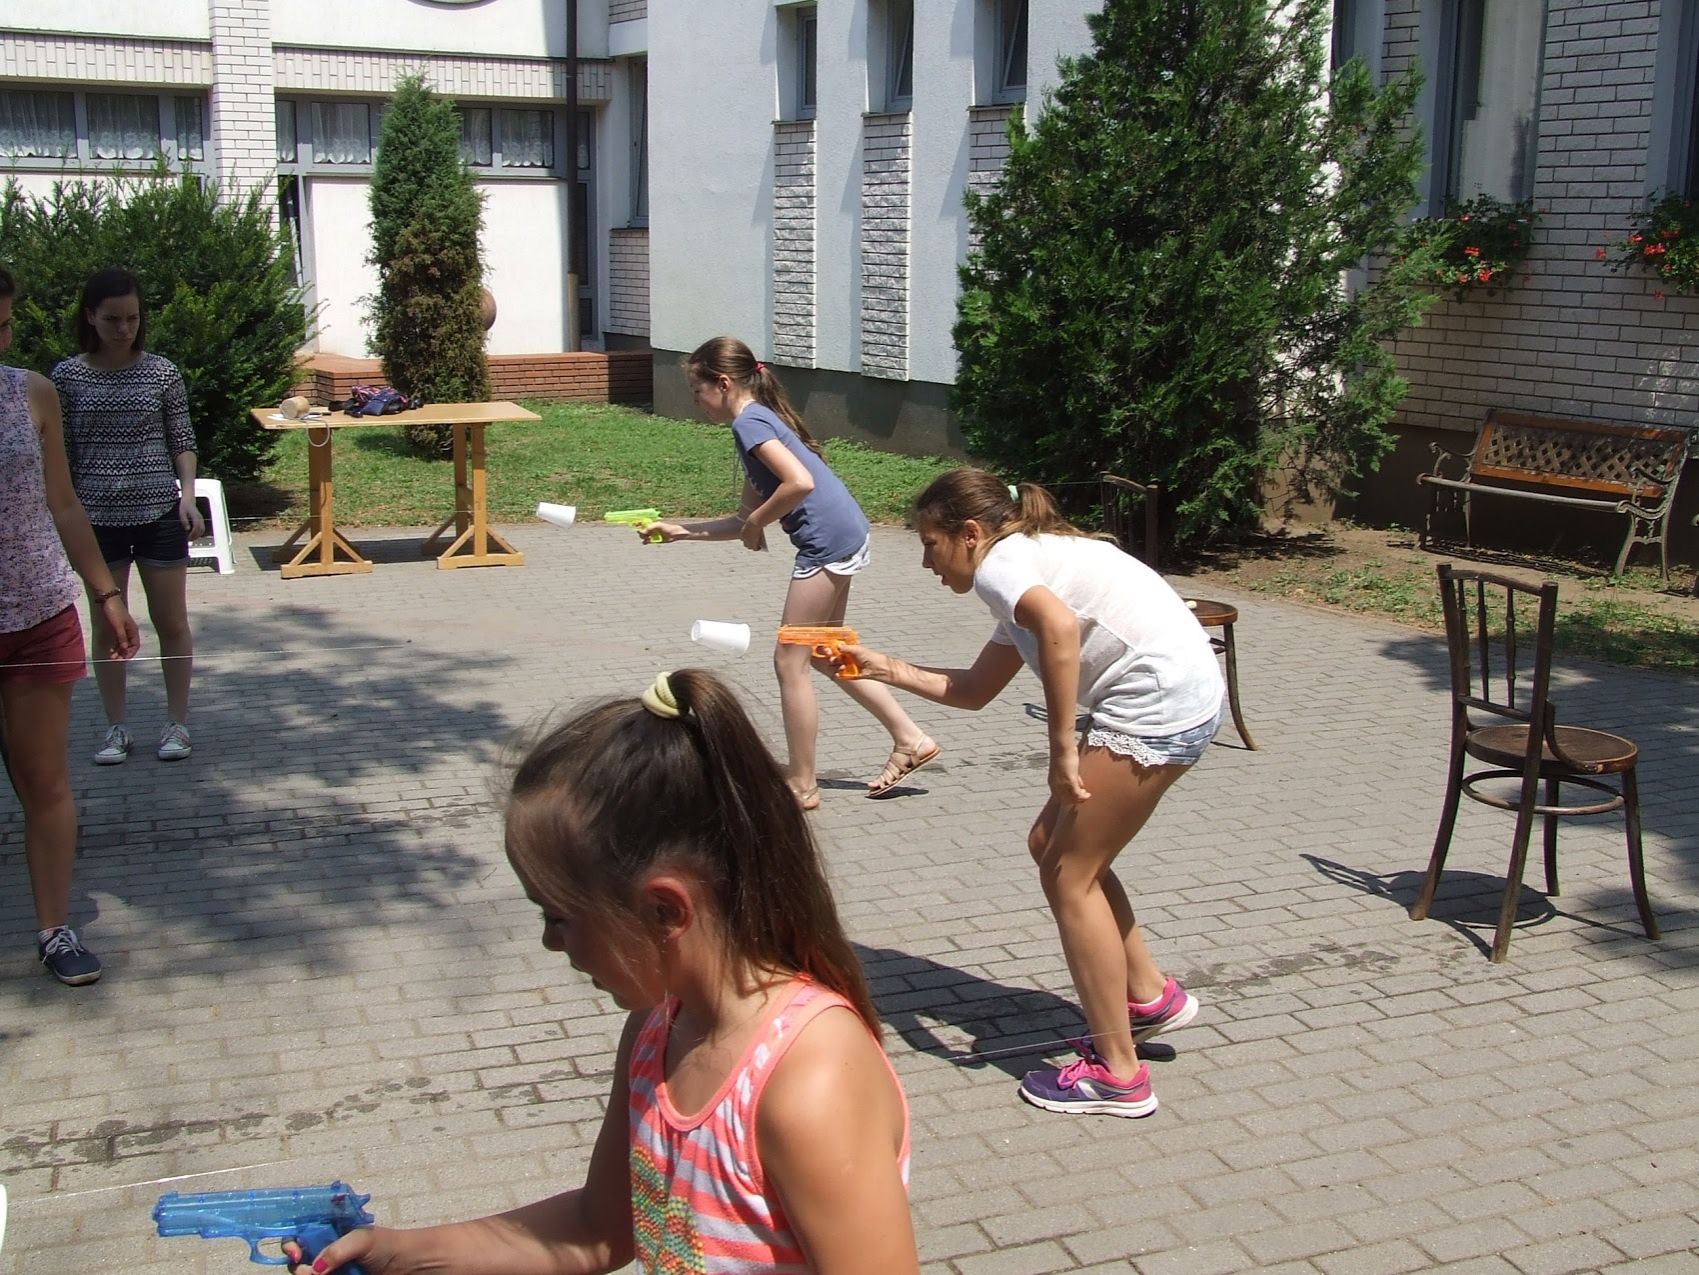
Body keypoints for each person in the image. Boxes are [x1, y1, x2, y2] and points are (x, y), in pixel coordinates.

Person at [292, 669, 917, 1274]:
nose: (549, 942)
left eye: (559, 916)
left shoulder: (809, 1080)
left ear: (664, 910)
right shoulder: (657, 1031)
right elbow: (600, 1229)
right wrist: (403, 1257)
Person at [839, 468, 1223, 1118]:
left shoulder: (1002, 566)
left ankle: (1118, 1077)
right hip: (1177, 692)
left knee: (1070, 876)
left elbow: (1060, 629)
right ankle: (1148, 997)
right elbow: (973, 690)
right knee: (1051, 844)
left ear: (969, 533)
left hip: (1158, 706)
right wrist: (877, 665)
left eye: (930, 545)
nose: (927, 563)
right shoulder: (1022, 567)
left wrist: (1062, 748)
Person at [643, 336, 937, 810]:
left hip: (827, 544)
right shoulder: (755, 421)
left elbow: (798, 483)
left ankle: (803, 784)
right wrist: (679, 531)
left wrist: (758, 523)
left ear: (723, 383)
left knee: (789, 662)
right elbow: (744, 519)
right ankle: (910, 738)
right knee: (824, 652)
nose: (696, 402)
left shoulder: (750, 423)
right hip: (844, 534)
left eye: (698, 391)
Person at [0, 265, 141, 986]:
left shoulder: (32, 392)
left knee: (45, 782)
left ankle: (55, 930)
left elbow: (62, 503)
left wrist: (106, 595)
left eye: (3, 325)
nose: (0, 340)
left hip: (37, 612)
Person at [52, 268, 204, 765]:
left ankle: (177, 722)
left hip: (159, 513)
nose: (124, 329)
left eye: (133, 318)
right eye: (113, 319)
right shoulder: (67, 378)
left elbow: (182, 439)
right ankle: (116, 726)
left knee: (171, 621)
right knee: (108, 626)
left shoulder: (161, 372)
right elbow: (61, 455)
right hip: (97, 519)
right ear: (90, 318)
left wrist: (187, 495)